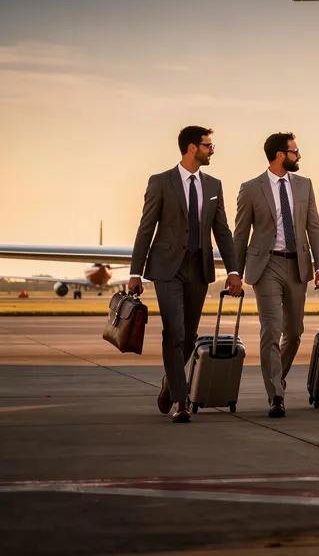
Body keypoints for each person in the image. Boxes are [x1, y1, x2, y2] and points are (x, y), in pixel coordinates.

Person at [128, 126, 242, 423]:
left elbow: (222, 231)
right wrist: (135, 273)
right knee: (174, 332)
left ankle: (171, 380)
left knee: (189, 335)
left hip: (199, 268)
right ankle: (181, 400)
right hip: (167, 268)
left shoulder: (214, 185)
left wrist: (233, 271)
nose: (212, 150)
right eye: (208, 145)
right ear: (192, 148)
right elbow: (145, 228)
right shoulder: (161, 182)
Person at [233, 132, 319, 418]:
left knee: (295, 333)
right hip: (266, 266)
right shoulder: (251, 188)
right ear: (279, 155)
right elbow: (240, 234)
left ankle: (278, 376)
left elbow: (315, 227)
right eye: (295, 151)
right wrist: (235, 272)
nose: (299, 156)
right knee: (271, 330)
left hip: (297, 266)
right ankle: (276, 394)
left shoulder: (304, 185)